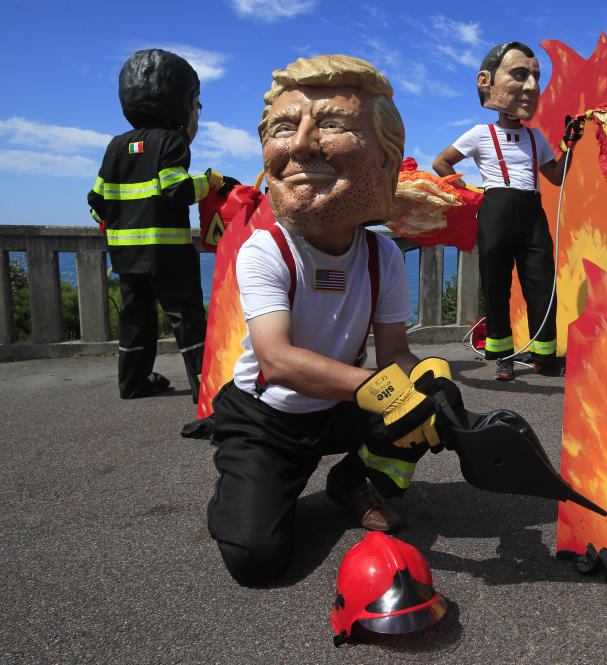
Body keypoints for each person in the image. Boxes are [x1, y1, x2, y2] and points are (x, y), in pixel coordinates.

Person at [206, 54, 459, 586]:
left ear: (386, 162)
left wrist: (426, 379)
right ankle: (252, 480)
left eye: (333, 125)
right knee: (255, 559)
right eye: (283, 128)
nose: (299, 144)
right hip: (268, 415)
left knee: (427, 404)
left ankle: (355, 480)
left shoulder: (381, 256)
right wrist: (384, 389)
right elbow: (277, 359)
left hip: (340, 404)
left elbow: (394, 354)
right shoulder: (265, 250)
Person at [432, 41, 582, 381]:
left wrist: (570, 146)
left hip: (532, 210)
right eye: (518, 75)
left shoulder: (537, 137)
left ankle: (545, 356)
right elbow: (441, 162)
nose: (530, 86)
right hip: (496, 208)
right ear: (490, 84)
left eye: (535, 78)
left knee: (542, 285)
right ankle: (503, 358)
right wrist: (468, 193)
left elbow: (555, 177)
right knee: (497, 286)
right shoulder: (480, 134)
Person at [88, 49, 227, 402]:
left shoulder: (115, 146)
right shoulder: (171, 142)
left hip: (125, 255)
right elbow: (177, 189)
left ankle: (132, 383)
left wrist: (112, 222)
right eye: (197, 105)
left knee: (136, 319)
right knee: (188, 318)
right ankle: (208, 391)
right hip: (167, 253)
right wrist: (208, 182)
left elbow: (97, 202)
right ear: (181, 103)